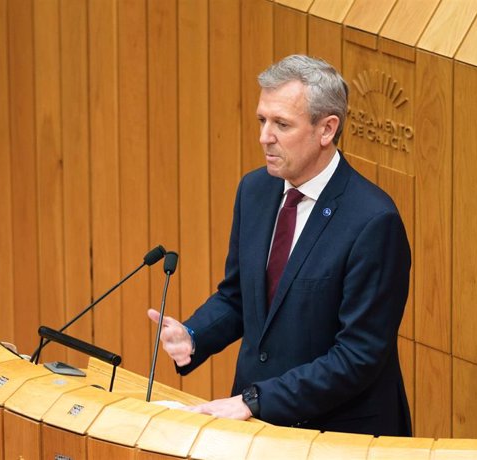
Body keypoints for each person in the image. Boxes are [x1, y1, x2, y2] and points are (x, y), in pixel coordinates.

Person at [148, 54, 412, 437]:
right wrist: (194, 335)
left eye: (281, 124)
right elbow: (240, 296)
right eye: (262, 120)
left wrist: (254, 400)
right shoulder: (255, 191)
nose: (264, 137)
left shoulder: (373, 221)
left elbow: (358, 356)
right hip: (258, 430)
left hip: (336, 435)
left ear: (327, 129)